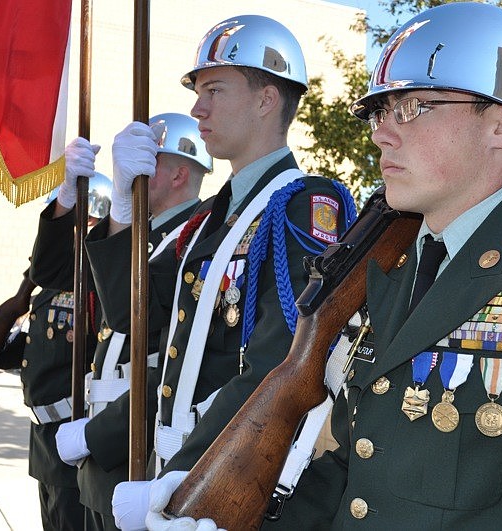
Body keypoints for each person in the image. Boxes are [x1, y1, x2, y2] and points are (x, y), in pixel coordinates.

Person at [138, 4, 502, 529]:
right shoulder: (392, 274)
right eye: (382, 112)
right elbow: (349, 480)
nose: (381, 133)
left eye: (413, 107)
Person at [98, 14, 356, 530]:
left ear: (266, 100)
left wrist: (184, 477)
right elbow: (132, 316)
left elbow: (279, 363)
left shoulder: (300, 207)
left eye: (214, 90)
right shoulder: (210, 220)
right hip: (180, 465)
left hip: (228, 475)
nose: (197, 108)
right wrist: (123, 212)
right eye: (198, 93)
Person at [35, 114, 212, 530]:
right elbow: (51, 273)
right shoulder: (134, 232)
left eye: (147, 162)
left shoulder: (198, 236)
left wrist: (98, 434)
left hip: (136, 448)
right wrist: (65, 200)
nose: (131, 173)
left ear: (178, 175)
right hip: (98, 455)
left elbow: (167, 362)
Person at [0, 144, 113, 530]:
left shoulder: (100, 282)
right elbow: (38, 347)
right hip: (43, 440)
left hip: (76, 434)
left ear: (94, 222)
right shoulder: (46, 288)